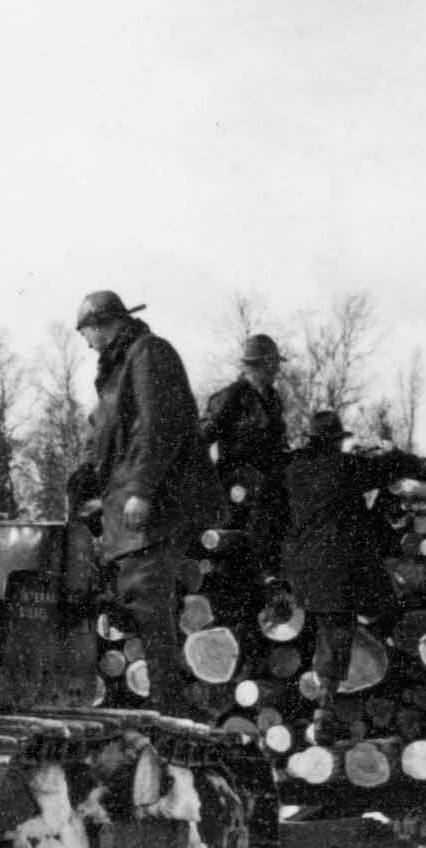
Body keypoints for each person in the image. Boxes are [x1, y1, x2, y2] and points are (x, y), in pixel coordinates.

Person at [68, 290, 221, 716]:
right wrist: (87, 471)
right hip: (125, 505)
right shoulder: (120, 366)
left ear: (102, 326)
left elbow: (158, 426)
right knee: (133, 601)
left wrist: (142, 489)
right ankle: (160, 701)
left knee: (149, 603)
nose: (87, 344)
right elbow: (108, 429)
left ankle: (169, 708)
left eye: (87, 333)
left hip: (155, 507)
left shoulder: (149, 353)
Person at [278, 410, 397, 743]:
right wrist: (390, 453)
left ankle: (318, 707)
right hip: (335, 567)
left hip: (302, 565)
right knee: (337, 628)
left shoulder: (295, 470)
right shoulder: (343, 468)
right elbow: (384, 470)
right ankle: (324, 713)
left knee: (330, 627)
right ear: (335, 442)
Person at [200, 333, 289, 567]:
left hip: (268, 478)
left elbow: (278, 439)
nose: (277, 370)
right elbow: (202, 438)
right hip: (236, 483)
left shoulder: (273, 398)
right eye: (274, 364)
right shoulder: (231, 397)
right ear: (261, 364)